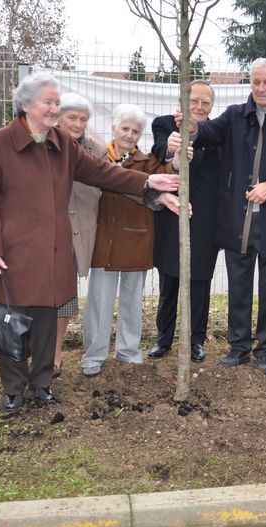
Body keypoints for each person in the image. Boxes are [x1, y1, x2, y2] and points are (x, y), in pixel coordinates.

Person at [0, 74, 179, 411]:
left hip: (53, 249)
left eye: (57, 102)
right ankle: (12, 388)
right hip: (11, 252)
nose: (55, 109)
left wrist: (148, 181)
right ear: (26, 105)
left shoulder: (62, 143)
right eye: (48, 103)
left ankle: (41, 382)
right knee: (12, 321)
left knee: (45, 320)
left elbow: (103, 172)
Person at [176, 58, 266, 374]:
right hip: (238, 220)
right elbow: (211, 131)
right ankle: (239, 346)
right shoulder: (235, 116)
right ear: (249, 84)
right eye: (255, 82)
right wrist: (194, 127)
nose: (261, 88)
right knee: (238, 288)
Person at [81, 104, 190, 377]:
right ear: (113, 128)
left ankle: (128, 351)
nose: (129, 135)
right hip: (103, 240)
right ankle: (94, 355)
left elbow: (165, 171)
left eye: (136, 131)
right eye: (125, 128)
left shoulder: (145, 161)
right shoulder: (95, 158)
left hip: (136, 240)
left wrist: (176, 163)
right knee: (99, 301)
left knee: (131, 300)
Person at [148, 80, 222, 364]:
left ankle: (196, 341)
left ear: (212, 107)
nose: (199, 107)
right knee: (170, 282)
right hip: (171, 216)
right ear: (182, 102)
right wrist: (170, 148)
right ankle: (163, 338)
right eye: (193, 101)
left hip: (206, 223)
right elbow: (159, 149)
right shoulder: (164, 123)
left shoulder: (217, 133)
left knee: (200, 284)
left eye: (205, 103)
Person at [52, 94, 105, 378]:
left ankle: (56, 356)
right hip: (44, 236)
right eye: (72, 117)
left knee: (65, 299)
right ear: (58, 118)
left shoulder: (95, 151)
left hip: (75, 236)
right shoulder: (43, 147)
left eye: (83, 119)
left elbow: (110, 183)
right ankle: (31, 352)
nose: (77, 123)